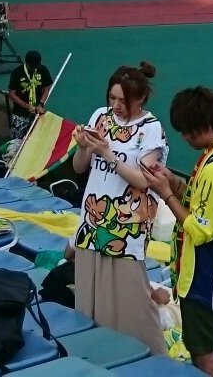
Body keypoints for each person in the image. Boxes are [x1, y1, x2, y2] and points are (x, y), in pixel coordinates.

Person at [145, 87, 213, 377]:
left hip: (206, 274)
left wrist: (166, 193)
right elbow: (205, 204)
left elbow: (200, 228)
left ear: (205, 127)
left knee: (203, 352)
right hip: (212, 271)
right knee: (201, 348)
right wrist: (176, 185)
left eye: (188, 132)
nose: (184, 137)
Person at [71, 62, 168, 355]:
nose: (115, 105)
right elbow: (79, 167)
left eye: (122, 101)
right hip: (92, 218)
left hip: (127, 226)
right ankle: (98, 354)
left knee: (132, 298)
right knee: (91, 295)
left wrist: (108, 154)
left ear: (140, 99)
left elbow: (144, 178)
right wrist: (84, 147)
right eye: (111, 98)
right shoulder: (100, 117)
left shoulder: (151, 130)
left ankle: (152, 358)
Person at [7, 50, 53, 141]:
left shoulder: (43, 70)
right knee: (16, 140)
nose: (35, 68)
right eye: (32, 66)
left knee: (37, 140)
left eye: (37, 66)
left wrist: (41, 104)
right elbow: (12, 94)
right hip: (20, 114)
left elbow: (46, 88)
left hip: (38, 112)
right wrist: (25, 105)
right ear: (27, 63)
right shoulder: (17, 73)